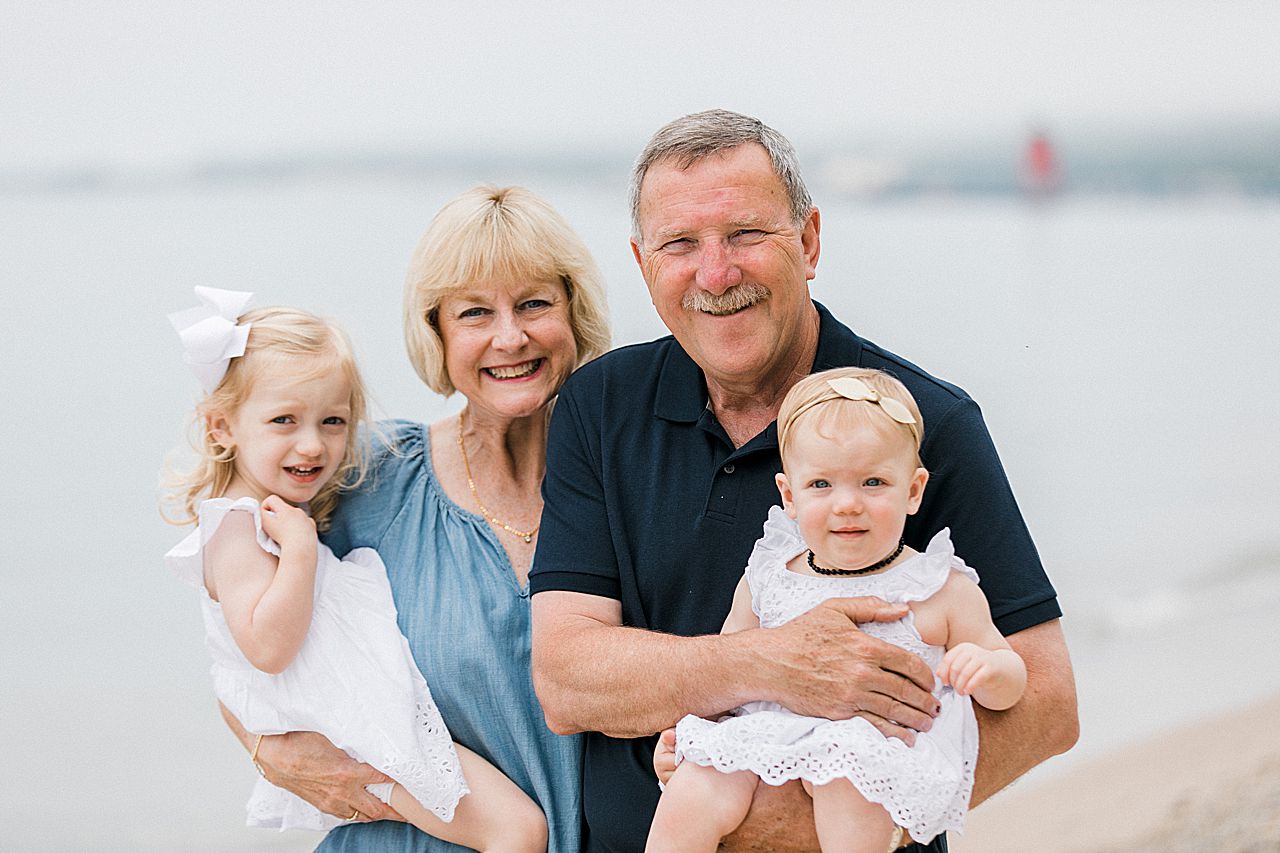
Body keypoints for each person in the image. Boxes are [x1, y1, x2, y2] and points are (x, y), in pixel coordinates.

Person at [530, 109, 1078, 853]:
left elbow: (1046, 703)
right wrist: (768, 663)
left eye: (746, 234)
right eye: (681, 244)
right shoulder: (598, 407)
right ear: (641, 262)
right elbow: (567, 680)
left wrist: (800, 830)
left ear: (810, 240)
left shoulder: (923, 423)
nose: (715, 273)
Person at [214, 185, 612, 852]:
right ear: (437, 332)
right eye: (475, 312)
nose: (509, 336)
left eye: (535, 303)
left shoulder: (626, 484)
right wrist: (266, 748)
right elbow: (240, 642)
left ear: (574, 313)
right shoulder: (368, 476)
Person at [163, 290, 547, 851]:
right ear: (222, 428)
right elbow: (266, 647)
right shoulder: (236, 530)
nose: (313, 444)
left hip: (372, 728)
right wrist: (298, 551)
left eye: (333, 421)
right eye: (284, 420)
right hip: (363, 740)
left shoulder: (273, 516)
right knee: (516, 830)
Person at [645, 368, 1027, 853]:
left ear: (913, 490)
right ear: (790, 496)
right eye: (822, 484)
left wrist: (988, 669)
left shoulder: (936, 588)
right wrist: (691, 732)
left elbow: (1011, 676)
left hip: (868, 747)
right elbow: (726, 667)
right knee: (696, 788)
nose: (847, 505)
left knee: (850, 787)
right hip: (768, 733)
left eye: (873, 482)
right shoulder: (771, 576)